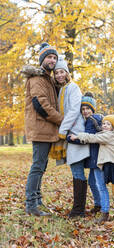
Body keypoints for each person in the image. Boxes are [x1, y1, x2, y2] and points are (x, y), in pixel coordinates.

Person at [24, 42, 63, 216]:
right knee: (38, 166)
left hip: (46, 129)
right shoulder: (37, 79)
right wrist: (61, 120)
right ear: (42, 59)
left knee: (42, 166)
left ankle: (37, 200)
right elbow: (41, 104)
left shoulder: (48, 79)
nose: (52, 60)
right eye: (49, 57)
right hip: (41, 127)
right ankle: (31, 204)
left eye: (54, 57)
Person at [70, 115, 114, 225]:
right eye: (104, 123)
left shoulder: (110, 135)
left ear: (113, 127)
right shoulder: (105, 134)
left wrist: (77, 136)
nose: (105, 125)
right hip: (110, 166)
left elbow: (93, 138)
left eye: (108, 124)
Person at [53, 57, 90, 218]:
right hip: (69, 134)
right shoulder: (62, 89)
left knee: (77, 171)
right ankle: (79, 208)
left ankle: (78, 210)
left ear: (67, 73)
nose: (59, 75)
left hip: (76, 134)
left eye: (62, 72)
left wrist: (63, 130)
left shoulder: (73, 87)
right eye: (56, 73)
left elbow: (74, 110)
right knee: (76, 171)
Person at [67, 92, 103, 214]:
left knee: (97, 182)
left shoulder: (92, 120)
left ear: (92, 109)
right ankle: (99, 205)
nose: (85, 111)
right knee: (93, 182)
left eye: (88, 108)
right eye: (83, 109)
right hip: (96, 157)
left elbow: (87, 138)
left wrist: (71, 138)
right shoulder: (93, 119)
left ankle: (102, 207)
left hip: (98, 157)